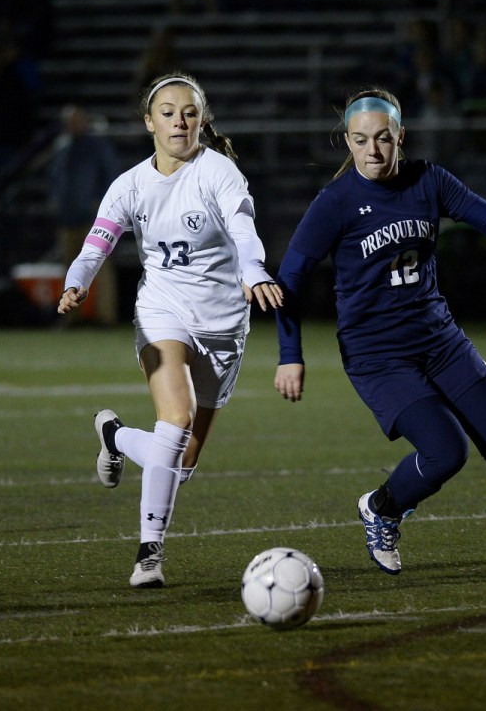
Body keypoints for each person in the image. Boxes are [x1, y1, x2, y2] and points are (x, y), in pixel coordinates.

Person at [273, 87, 486, 582]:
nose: (373, 150)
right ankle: (383, 508)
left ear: (401, 136)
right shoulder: (336, 201)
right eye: (361, 140)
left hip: (442, 342)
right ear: (346, 141)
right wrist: (290, 354)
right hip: (378, 356)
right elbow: (290, 280)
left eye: (384, 138)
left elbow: (483, 210)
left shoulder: (428, 179)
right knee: (445, 452)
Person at [57, 73, 283, 588]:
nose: (179, 121)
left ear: (201, 119)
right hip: (161, 313)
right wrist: (78, 282)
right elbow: (97, 244)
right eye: (167, 112)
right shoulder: (130, 185)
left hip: (225, 326)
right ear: (148, 122)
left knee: (181, 459)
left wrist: (255, 272)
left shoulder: (219, 173)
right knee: (175, 419)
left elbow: (245, 232)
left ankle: (113, 434)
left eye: (188, 112)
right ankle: (148, 556)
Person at [48, 104, 121, 325]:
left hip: (93, 218)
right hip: (68, 216)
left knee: (101, 268)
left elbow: (111, 176)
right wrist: (56, 200)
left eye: (77, 120)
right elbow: (55, 178)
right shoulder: (62, 147)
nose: (73, 125)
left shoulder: (98, 147)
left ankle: (106, 316)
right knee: (70, 267)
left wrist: (101, 204)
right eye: (70, 121)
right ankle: (72, 316)